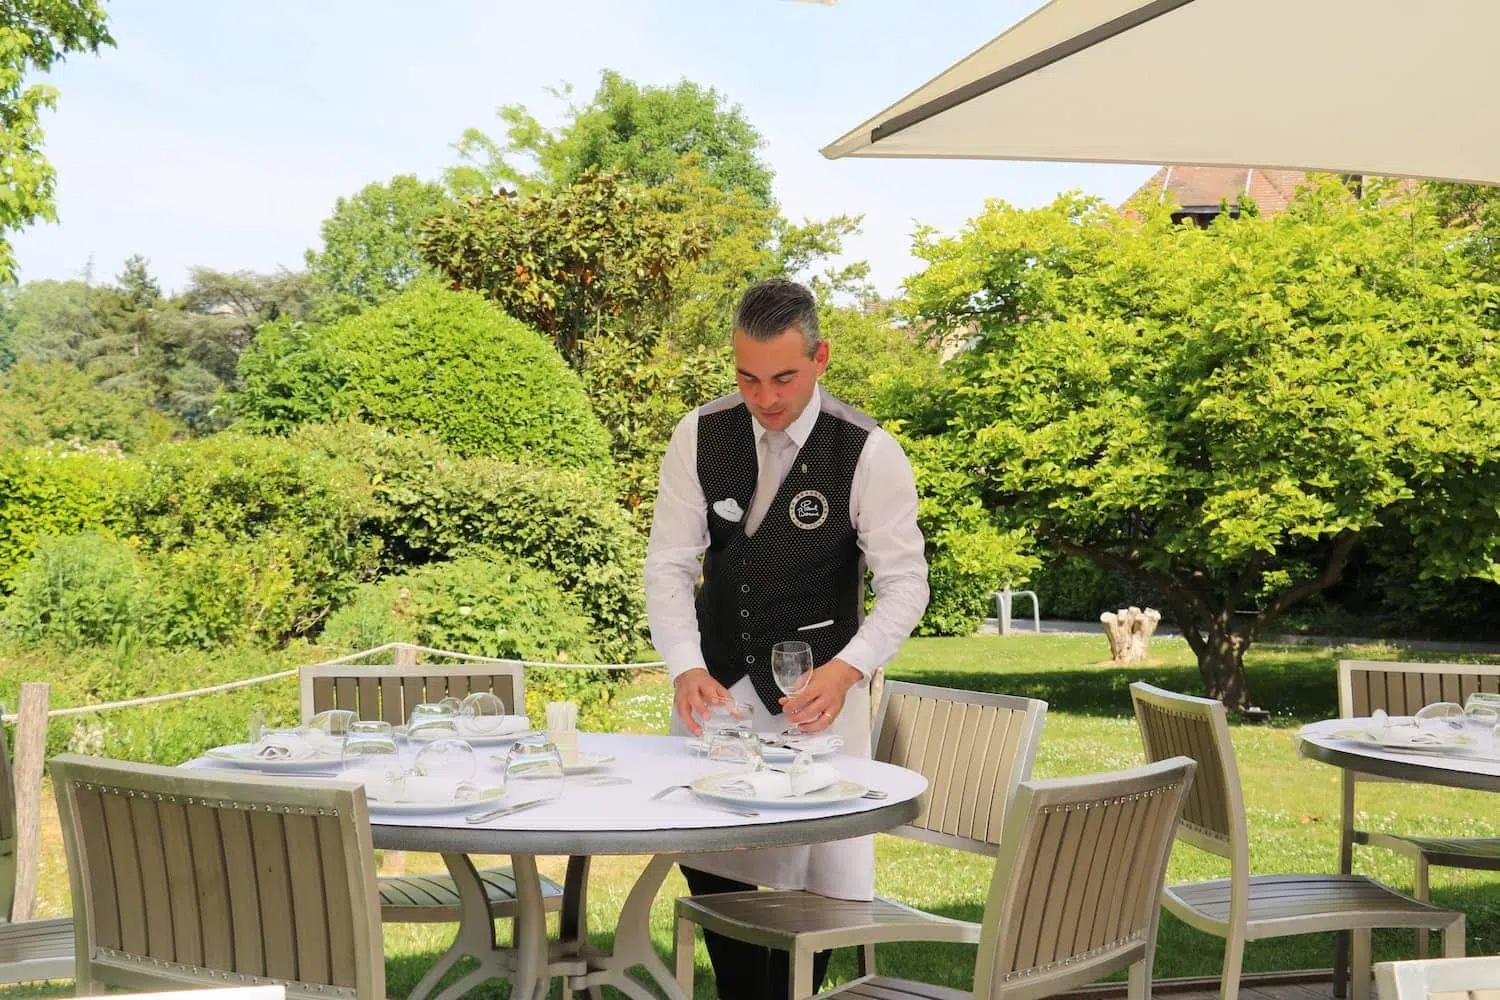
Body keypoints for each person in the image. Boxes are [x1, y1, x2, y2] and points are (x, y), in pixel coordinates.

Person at [644, 276, 929, 1000]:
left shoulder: (868, 451)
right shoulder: (698, 435)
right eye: (746, 377)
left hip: (818, 703)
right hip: (716, 696)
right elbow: (669, 567)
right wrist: (682, 664)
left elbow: (906, 586)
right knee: (714, 864)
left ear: (820, 357)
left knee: (818, 883)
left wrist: (848, 670)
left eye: (783, 377)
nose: (765, 398)